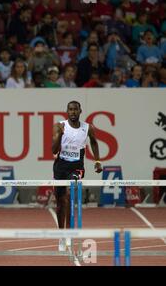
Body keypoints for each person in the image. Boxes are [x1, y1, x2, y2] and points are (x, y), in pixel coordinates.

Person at [52, 101, 102, 251]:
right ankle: (61, 236)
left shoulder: (87, 128)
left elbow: (94, 143)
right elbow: (53, 151)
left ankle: (68, 234)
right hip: (60, 166)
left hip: (77, 167)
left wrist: (98, 160)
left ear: (80, 111)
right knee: (60, 203)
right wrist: (60, 134)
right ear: (67, 111)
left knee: (68, 194)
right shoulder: (59, 125)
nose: (73, 112)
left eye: (75, 109)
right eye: (70, 109)